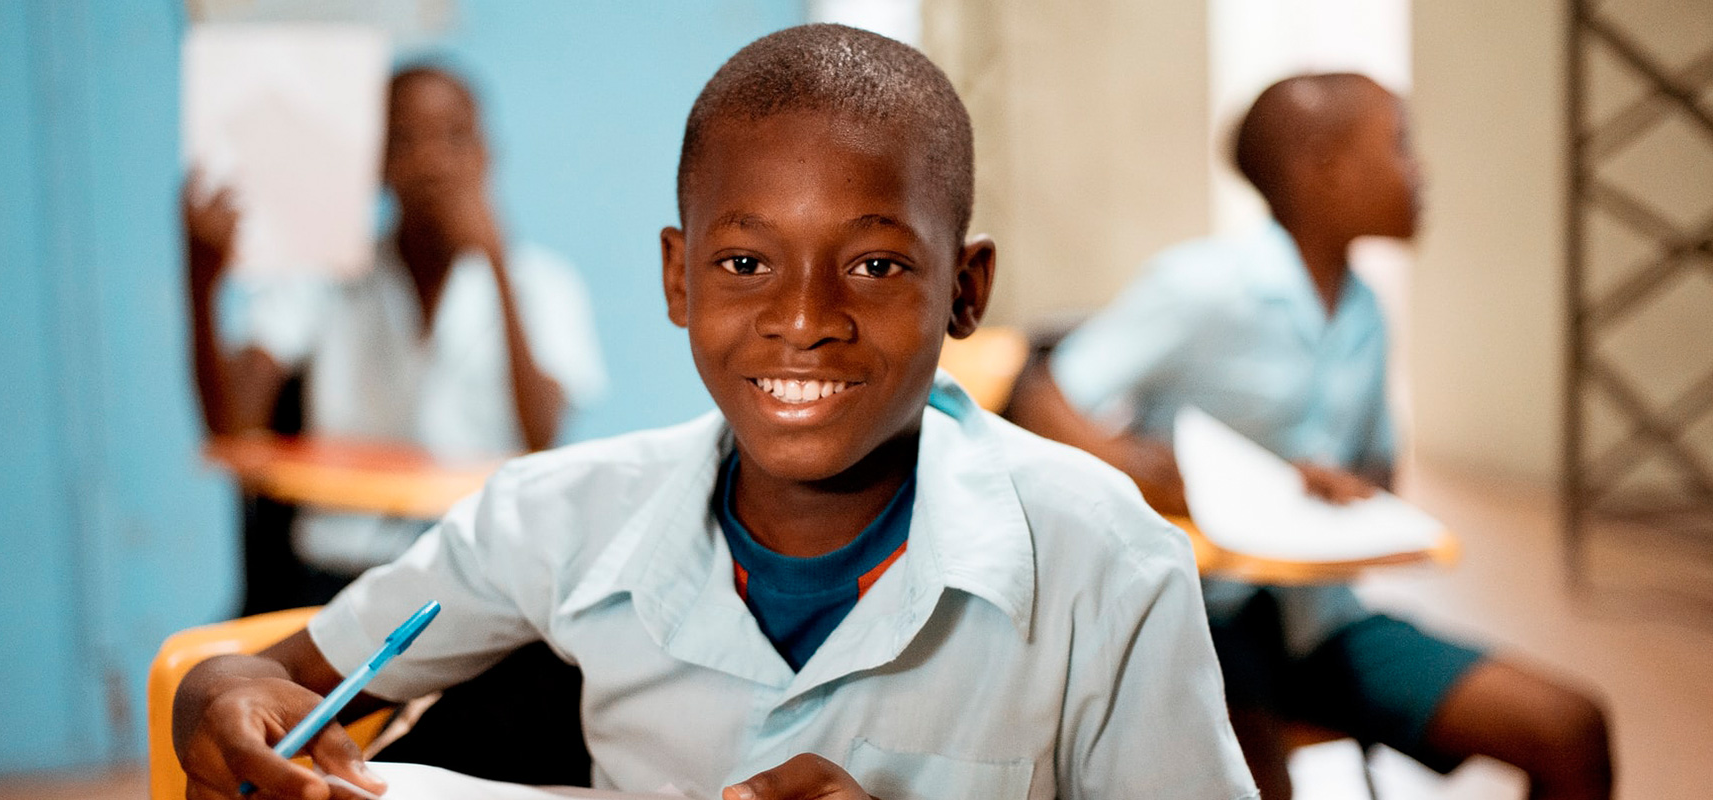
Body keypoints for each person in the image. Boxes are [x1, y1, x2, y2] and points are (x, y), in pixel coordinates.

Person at [173, 24, 1257, 800]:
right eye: (745, 261)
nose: (803, 318)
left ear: (964, 290)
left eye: (876, 263)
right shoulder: (557, 515)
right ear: (678, 277)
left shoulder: (1106, 560)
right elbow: (279, 675)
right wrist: (216, 695)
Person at [1006, 73, 1612, 800]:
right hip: (1196, 619)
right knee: (1255, 781)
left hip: (1317, 622)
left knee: (1572, 730)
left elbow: (1379, 477)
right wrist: (1140, 466)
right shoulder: (1203, 285)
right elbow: (1039, 395)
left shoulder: (1366, 316)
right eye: (1400, 146)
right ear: (1323, 168)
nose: (1420, 171)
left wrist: (1344, 488)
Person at [184, 65, 606, 592]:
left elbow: (543, 435)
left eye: (455, 137)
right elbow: (232, 427)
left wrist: (496, 263)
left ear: (486, 155)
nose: (432, 160)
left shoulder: (542, 284)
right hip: (337, 575)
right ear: (378, 164)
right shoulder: (326, 276)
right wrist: (202, 284)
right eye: (406, 139)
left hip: (482, 577)